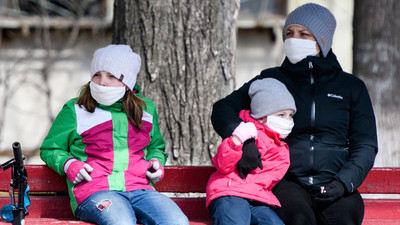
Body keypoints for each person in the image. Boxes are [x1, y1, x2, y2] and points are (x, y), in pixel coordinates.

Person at [210, 3, 377, 225]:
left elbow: (365, 145)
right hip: (287, 182)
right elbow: (223, 108)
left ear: (322, 41)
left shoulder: (351, 87)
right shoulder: (272, 79)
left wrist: (343, 182)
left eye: (303, 34)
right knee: (298, 219)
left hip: (335, 181)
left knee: (344, 218)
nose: (293, 39)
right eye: (289, 33)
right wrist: (245, 140)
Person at [40, 44, 189, 225]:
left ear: (128, 82)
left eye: (111, 76)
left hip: (141, 189)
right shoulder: (75, 109)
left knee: (177, 221)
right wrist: (69, 164)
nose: (102, 82)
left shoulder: (146, 110)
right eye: (97, 75)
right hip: (95, 190)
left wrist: (157, 163)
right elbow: (50, 148)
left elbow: (155, 147)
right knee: (121, 222)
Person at [206, 78, 296, 225]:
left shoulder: (281, 146)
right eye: (281, 115)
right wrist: (236, 141)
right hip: (230, 193)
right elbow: (223, 164)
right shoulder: (247, 131)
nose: (287, 120)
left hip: (259, 199)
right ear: (262, 116)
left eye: (290, 115)